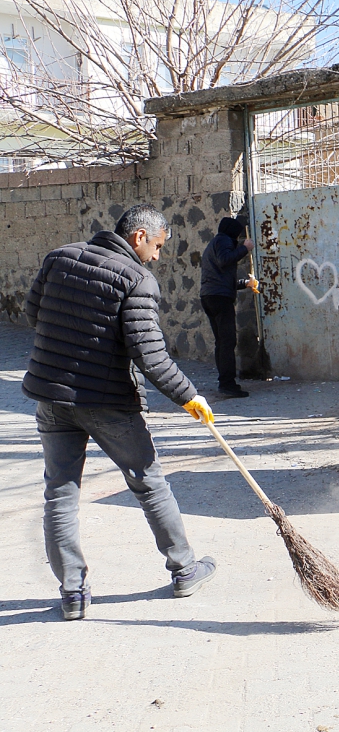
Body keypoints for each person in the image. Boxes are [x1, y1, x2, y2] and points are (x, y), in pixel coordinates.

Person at [24, 203, 220, 620]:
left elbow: (33, 312)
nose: (159, 256)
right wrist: (190, 397)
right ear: (139, 237)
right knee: (149, 484)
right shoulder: (137, 280)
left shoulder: (58, 258)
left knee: (60, 495)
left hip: (52, 399)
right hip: (109, 402)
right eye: (158, 246)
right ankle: (184, 569)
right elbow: (150, 356)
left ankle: (73, 594)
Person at [199, 216, 258, 398]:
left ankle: (225, 381)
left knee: (222, 342)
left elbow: (223, 276)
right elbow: (226, 260)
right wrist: (245, 248)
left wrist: (246, 283)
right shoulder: (224, 240)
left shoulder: (215, 243)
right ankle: (227, 384)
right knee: (227, 341)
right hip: (219, 298)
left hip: (211, 295)